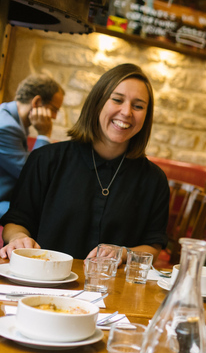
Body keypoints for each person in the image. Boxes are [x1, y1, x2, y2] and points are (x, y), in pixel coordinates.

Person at [0, 63, 169, 260]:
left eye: (138, 106)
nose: (127, 112)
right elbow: (17, 220)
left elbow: (153, 244)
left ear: (146, 117)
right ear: (97, 102)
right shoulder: (45, 160)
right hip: (44, 281)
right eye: (117, 100)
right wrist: (19, 237)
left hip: (115, 288)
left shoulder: (154, 179)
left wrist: (123, 253)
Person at [0, 74, 64, 217]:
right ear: (37, 102)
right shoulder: (5, 128)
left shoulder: (12, 118)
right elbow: (32, 175)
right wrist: (44, 133)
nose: (54, 117)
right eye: (54, 109)